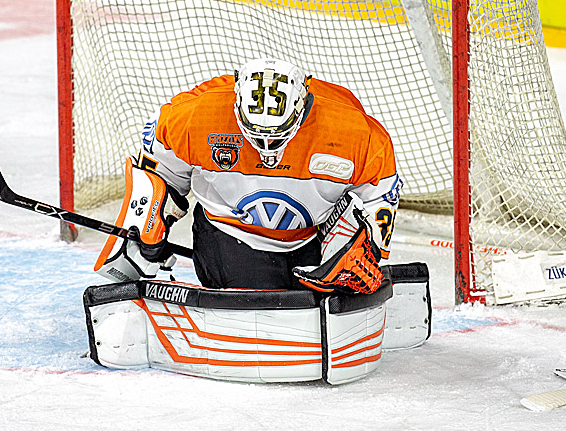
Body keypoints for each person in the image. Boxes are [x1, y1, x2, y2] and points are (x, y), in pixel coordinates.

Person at [94, 56, 402, 295]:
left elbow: (381, 191)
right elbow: (161, 174)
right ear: (236, 104)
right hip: (229, 235)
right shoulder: (197, 114)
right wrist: (148, 229)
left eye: (277, 134)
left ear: (301, 107)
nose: (266, 146)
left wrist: (369, 246)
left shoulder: (349, 128)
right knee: (261, 302)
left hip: (312, 237)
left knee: (322, 293)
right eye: (255, 134)